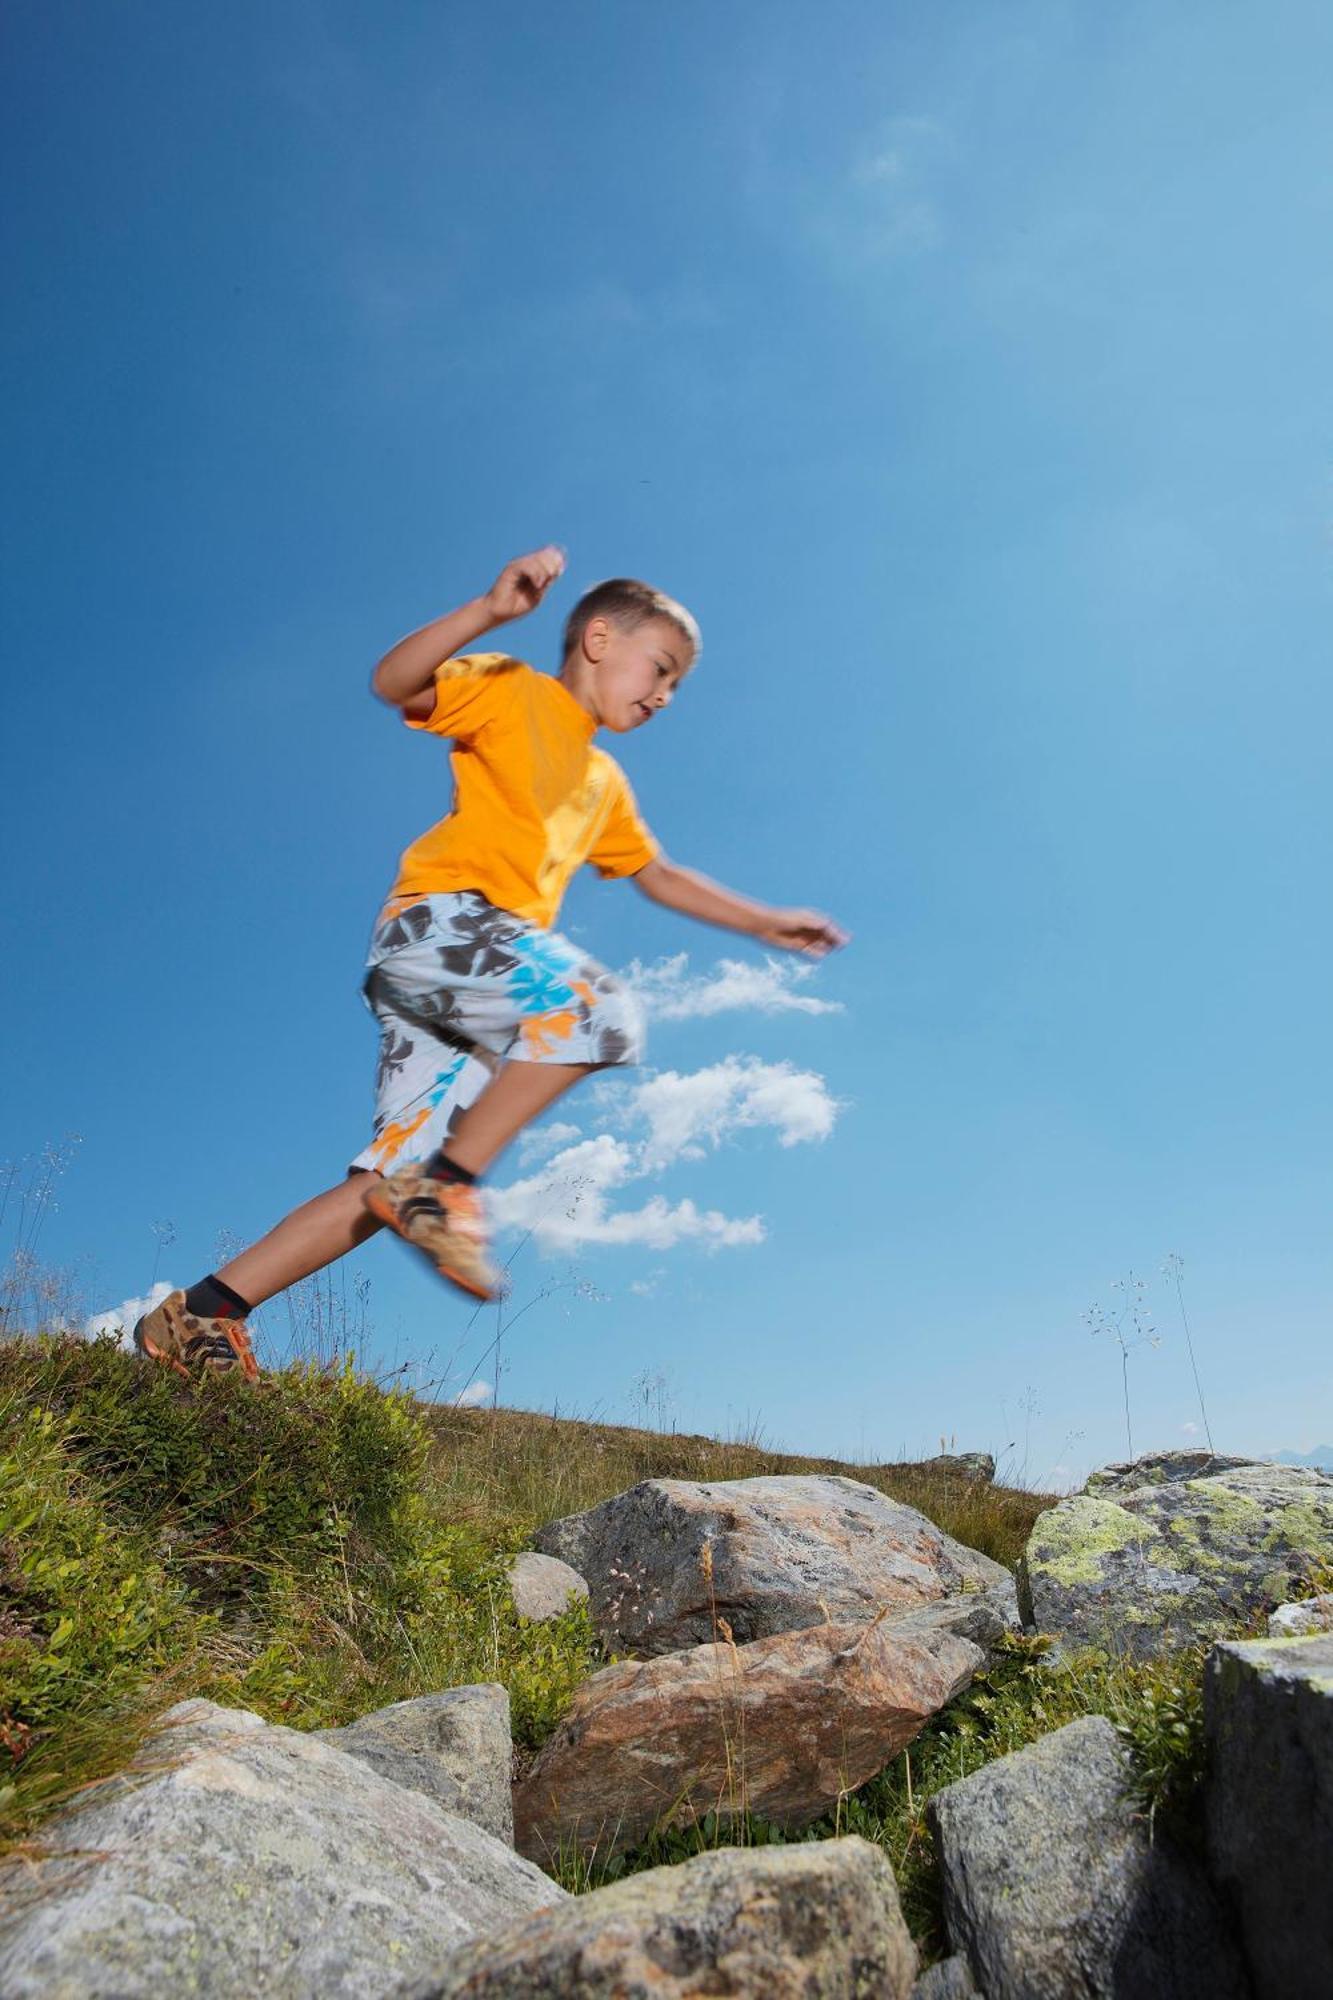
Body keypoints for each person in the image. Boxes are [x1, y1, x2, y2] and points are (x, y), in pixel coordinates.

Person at [133, 548, 848, 1378]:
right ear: (598, 638)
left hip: (470, 983)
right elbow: (396, 682)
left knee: (386, 1183)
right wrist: (487, 610)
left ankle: (201, 1312)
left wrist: (764, 921)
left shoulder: (604, 781)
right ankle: (446, 1187)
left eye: (676, 685)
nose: (663, 694)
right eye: (659, 668)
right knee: (596, 1012)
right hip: (439, 925)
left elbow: (657, 875)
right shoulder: (512, 690)